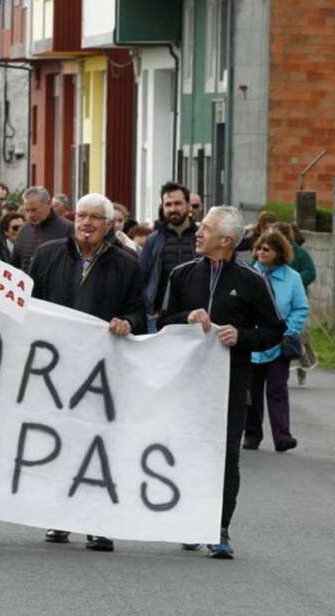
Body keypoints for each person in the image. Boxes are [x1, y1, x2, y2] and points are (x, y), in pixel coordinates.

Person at [158, 206, 286, 559]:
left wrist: (241, 335)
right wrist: (186, 316)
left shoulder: (251, 281)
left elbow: (275, 330)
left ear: (226, 240)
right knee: (186, 450)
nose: (198, 232)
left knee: (226, 455)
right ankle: (188, 521)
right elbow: (162, 319)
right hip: (187, 382)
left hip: (231, 382)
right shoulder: (182, 274)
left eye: (206, 229)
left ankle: (219, 528)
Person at [28, 193, 146, 552]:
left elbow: (141, 313)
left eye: (95, 217)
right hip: (55, 368)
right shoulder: (48, 255)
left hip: (101, 373)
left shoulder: (127, 264)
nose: (86, 224)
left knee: (99, 448)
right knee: (58, 443)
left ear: (109, 224)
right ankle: (58, 518)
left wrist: (128, 322)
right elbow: (29, 304)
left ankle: (97, 523)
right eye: (81, 216)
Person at [243, 231, 309, 452]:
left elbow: (300, 308)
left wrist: (286, 332)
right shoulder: (248, 274)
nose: (261, 252)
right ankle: (252, 434)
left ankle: (282, 435)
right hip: (253, 343)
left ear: (279, 253)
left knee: (277, 389)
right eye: (259, 248)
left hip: (279, 343)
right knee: (251, 391)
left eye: (266, 249)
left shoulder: (293, 278)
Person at [139, 182, 198, 329]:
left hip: (196, 316)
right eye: (168, 204)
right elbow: (142, 278)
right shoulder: (153, 240)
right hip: (160, 317)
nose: (173, 209)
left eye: (178, 203)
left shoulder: (201, 237)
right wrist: (148, 307)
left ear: (189, 205)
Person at [272, 221, 318, 384]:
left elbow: (311, 272)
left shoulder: (300, 254)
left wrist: (295, 282)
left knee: (296, 334)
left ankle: (302, 365)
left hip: (296, 300)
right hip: (277, 301)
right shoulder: (272, 253)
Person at [10, 186, 73, 269]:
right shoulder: (24, 231)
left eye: (34, 210)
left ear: (48, 204)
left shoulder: (68, 229)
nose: (30, 215)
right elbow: (15, 265)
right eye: (27, 210)